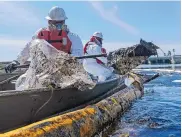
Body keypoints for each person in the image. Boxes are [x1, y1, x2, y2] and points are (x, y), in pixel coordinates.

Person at [5, 6, 83, 73]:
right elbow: (29, 48)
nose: (58, 26)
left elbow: (78, 57)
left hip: (65, 72)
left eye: (60, 23)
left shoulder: (73, 38)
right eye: (55, 23)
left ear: (64, 22)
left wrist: (62, 62)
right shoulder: (40, 34)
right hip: (42, 71)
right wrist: (17, 61)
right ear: (49, 22)